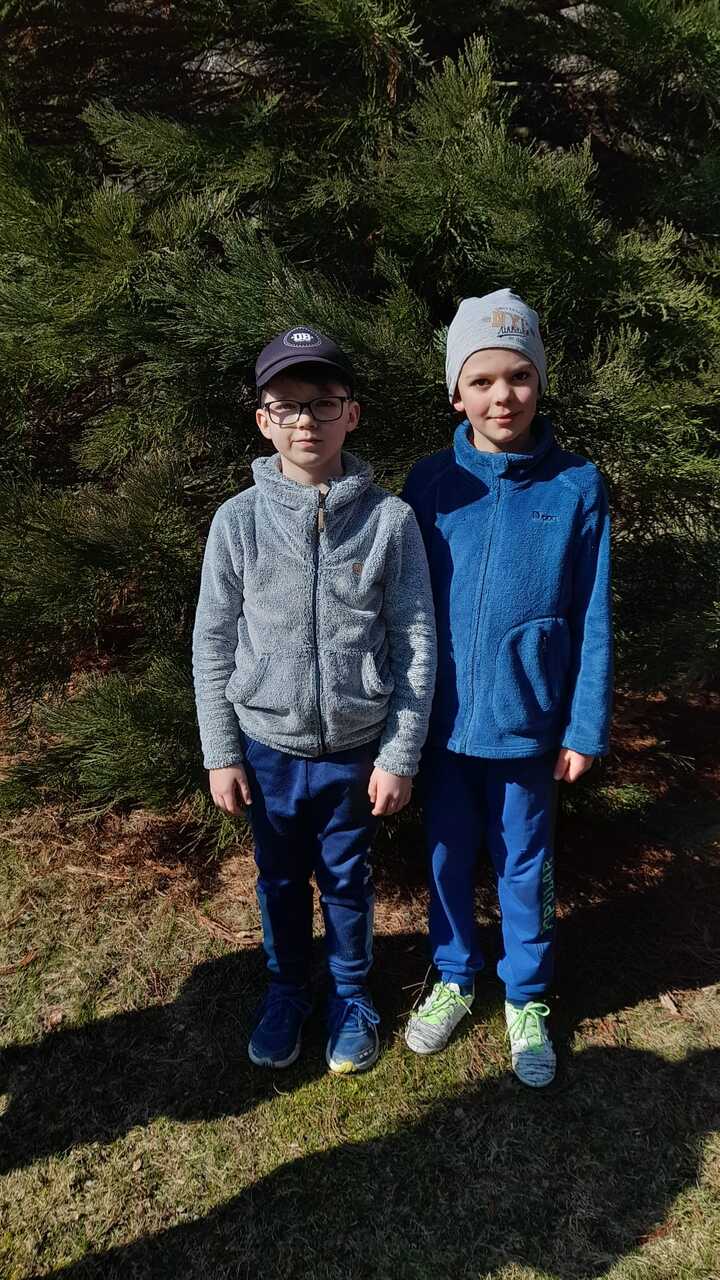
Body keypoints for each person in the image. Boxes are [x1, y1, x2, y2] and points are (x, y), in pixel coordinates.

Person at [192, 325, 436, 1074]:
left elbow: (415, 640)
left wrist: (399, 754)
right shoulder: (237, 521)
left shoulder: (391, 521)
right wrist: (221, 752)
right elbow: (213, 640)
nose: (306, 420)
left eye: (323, 403)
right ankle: (287, 989)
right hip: (267, 749)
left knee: (348, 881)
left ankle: (352, 995)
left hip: (355, 750)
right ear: (263, 420)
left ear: (350, 414)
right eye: (287, 405)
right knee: (278, 880)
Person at [402, 290, 612, 1087]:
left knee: (526, 867)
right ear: (456, 393)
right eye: (482, 380)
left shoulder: (576, 486)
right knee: (448, 858)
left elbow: (592, 612)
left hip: (528, 727)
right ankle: (456, 977)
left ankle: (527, 997)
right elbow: (400, 607)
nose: (503, 396)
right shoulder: (429, 484)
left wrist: (584, 726)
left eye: (519, 376)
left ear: (540, 382)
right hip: (441, 728)